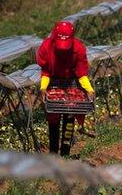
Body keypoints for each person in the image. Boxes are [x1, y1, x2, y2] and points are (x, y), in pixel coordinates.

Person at [37, 21, 94, 156]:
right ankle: (53, 153)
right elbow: (46, 72)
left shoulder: (78, 49)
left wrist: (89, 89)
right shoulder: (46, 47)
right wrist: (43, 88)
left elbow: (81, 73)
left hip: (71, 83)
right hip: (53, 83)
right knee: (53, 118)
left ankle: (65, 154)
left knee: (70, 114)